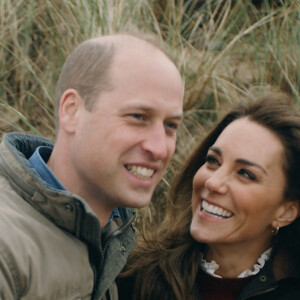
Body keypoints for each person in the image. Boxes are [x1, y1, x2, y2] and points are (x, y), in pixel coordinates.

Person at [0, 33, 183, 299]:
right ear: (72, 111)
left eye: (170, 126)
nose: (159, 147)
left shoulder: (112, 239)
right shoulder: (7, 250)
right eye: (138, 117)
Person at [118, 92, 300, 300]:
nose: (212, 182)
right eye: (213, 160)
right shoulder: (134, 277)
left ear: (285, 212)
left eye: (245, 173)